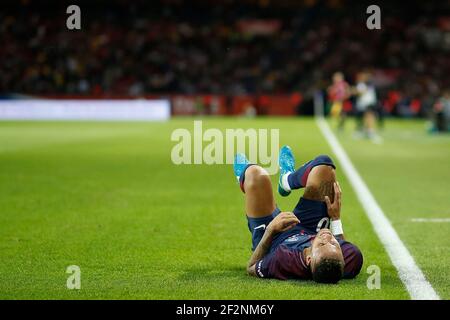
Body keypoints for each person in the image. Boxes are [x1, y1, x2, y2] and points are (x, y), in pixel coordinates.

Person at [233, 146, 363, 283]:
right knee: (324, 166)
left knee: (255, 175)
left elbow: (251, 267)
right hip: (312, 228)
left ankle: (242, 176)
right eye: (334, 244)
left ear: (308, 259)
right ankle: (286, 180)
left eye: (322, 245)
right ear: (343, 259)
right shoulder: (350, 258)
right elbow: (337, 242)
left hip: (274, 238)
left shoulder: (284, 260)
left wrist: (271, 229)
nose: (328, 237)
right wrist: (335, 218)